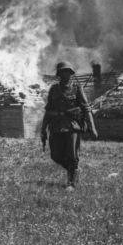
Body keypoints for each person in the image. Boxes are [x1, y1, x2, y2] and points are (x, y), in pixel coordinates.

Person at [41, 61, 97, 190]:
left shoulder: (77, 88)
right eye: (62, 72)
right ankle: (75, 169)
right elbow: (48, 110)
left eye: (67, 71)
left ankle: (71, 182)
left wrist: (92, 127)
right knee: (55, 155)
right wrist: (43, 130)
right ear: (59, 74)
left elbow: (86, 108)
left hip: (72, 126)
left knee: (72, 155)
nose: (65, 74)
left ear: (71, 73)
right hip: (56, 125)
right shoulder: (54, 89)